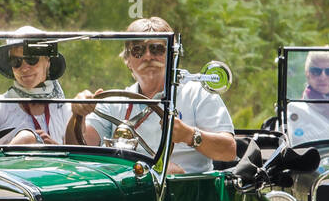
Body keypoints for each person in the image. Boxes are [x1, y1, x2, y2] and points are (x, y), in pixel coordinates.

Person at [71, 16, 235, 173]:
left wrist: (189, 135)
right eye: (138, 50)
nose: (148, 56)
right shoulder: (114, 102)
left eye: (156, 49)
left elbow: (228, 151)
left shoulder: (198, 93)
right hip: (128, 190)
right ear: (128, 60)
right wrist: (78, 114)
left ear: (171, 55)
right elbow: (78, 149)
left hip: (185, 191)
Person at [0, 26, 71, 145]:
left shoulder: (63, 108)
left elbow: (74, 155)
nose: (24, 68)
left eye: (32, 59)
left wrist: (54, 149)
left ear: (47, 61)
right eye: (16, 62)